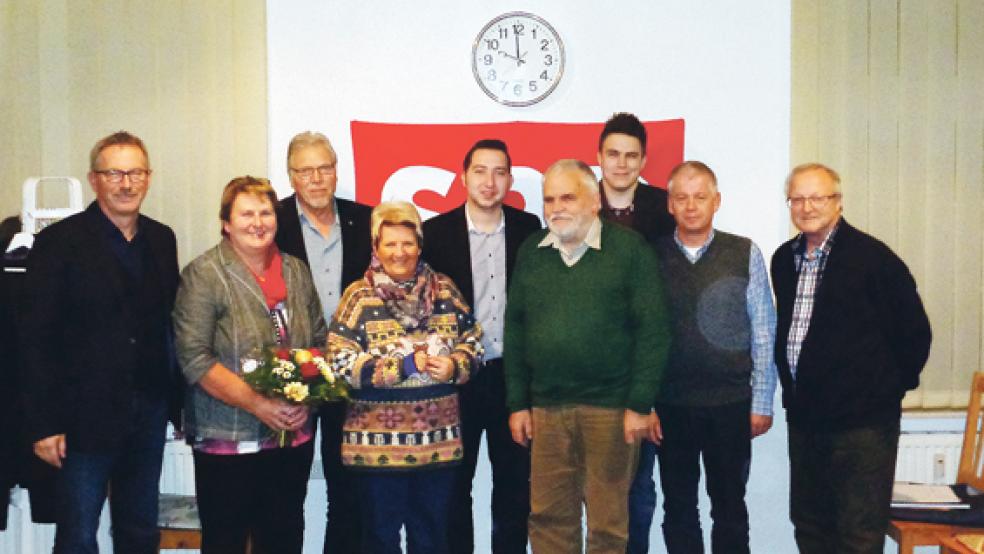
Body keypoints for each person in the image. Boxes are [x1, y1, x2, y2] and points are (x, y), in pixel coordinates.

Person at [20, 131, 180, 553]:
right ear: (94, 180)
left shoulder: (162, 239)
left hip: (147, 412)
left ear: (148, 178)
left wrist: (174, 402)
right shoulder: (58, 243)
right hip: (81, 419)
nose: (126, 184)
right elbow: (35, 339)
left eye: (136, 173)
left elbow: (167, 325)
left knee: (139, 531)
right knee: (77, 536)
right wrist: (44, 425)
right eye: (114, 174)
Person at [504, 159, 672, 554]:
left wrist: (639, 404)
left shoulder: (629, 250)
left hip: (610, 410)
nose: (556, 208)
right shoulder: (533, 252)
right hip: (546, 409)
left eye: (567, 197)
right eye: (549, 200)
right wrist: (517, 403)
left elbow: (654, 331)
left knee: (608, 524)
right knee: (547, 517)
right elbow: (515, 330)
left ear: (594, 201)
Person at [771, 163, 932, 554]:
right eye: (797, 199)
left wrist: (882, 392)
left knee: (858, 534)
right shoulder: (784, 260)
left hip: (862, 428)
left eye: (817, 197)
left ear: (838, 202)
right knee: (810, 527)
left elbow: (915, 334)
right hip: (806, 421)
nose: (807, 207)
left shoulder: (874, 259)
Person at [173, 176, 326, 553]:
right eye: (246, 214)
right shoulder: (204, 274)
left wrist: (305, 401)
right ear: (226, 222)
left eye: (265, 213)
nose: (258, 223)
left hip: (292, 435)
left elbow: (320, 340)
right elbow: (194, 356)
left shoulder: (296, 271)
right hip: (228, 438)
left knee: (284, 538)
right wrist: (259, 404)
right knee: (226, 540)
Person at [328, 201, 484, 553]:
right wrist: (401, 367)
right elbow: (338, 362)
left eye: (407, 243)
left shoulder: (445, 289)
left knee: (432, 540)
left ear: (420, 245)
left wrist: (456, 366)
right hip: (377, 450)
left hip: (437, 447)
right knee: (379, 540)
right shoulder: (358, 296)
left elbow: (474, 341)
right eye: (390, 244)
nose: (399, 252)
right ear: (376, 247)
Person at [651, 161, 778, 554]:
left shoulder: (744, 252)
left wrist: (762, 402)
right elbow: (640, 335)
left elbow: (763, 331)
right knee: (678, 508)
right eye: (682, 198)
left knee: (729, 507)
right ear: (670, 204)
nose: (691, 206)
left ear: (717, 201)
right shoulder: (651, 256)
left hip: (731, 405)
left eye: (700, 197)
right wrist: (644, 405)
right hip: (670, 407)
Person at [422, 139, 541, 554]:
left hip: (513, 378)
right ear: (463, 177)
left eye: (499, 172)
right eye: (480, 171)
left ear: (509, 179)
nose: (489, 181)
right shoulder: (435, 233)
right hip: (458, 379)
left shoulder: (529, 230)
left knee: (515, 487)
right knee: (455, 487)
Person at [274, 130, 372, 554]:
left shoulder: (366, 220)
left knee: (348, 494)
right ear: (291, 176)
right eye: (305, 171)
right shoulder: (271, 222)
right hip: (293, 372)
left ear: (336, 171)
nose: (316, 179)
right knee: (285, 493)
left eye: (324, 168)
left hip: (350, 375)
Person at [595, 112, 676, 554]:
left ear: (644, 161)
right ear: (599, 157)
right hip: (594, 378)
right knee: (598, 494)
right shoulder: (579, 205)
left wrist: (650, 396)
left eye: (631, 156)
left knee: (640, 491)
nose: (622, 164)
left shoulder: (665, 211)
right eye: (614, 154)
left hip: (649, 375)